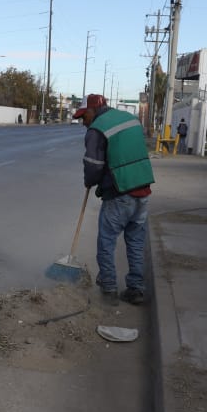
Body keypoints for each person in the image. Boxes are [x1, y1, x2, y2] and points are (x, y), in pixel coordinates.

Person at [72, 93, 155, 305]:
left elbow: (93, 165)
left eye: (84, 117)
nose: (83, 122)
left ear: (92, 110)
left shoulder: (97, 128)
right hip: (143, 189)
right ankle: (136, 289)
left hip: (120, 192)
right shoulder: (128, 118)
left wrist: (90, 181)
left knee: (107, 240)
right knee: (136, 242)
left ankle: (108, 288)